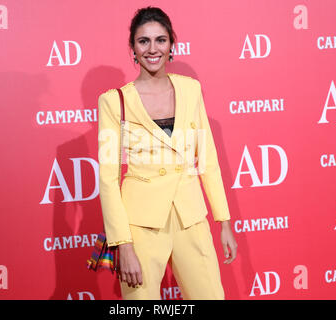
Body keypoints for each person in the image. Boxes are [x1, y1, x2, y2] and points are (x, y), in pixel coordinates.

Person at [97, 6, 237, 300]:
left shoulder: (191, 90)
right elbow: (108, 179)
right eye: (143, 41)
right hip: (141, 225)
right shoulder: (114, 101)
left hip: (192, 218)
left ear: (172, 44)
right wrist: (123, 243)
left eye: (160, 40)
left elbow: (207, 160)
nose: (152, 49)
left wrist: (223, 222)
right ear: (132, 48)